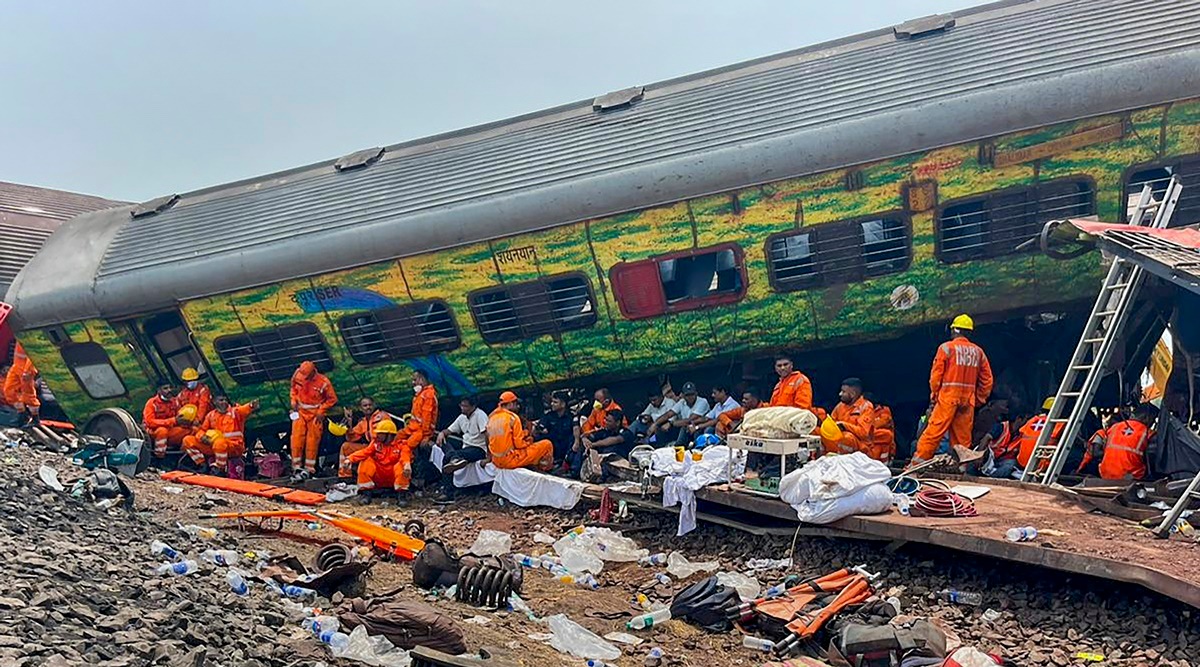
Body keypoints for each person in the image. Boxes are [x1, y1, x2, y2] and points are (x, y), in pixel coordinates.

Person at [912, 314, 993, 467]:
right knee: (962, 437)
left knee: (934, 431)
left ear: (954, 330)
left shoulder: (946, 348)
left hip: (947, 397)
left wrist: (934, 395)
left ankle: (917, 464)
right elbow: (987, 379)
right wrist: (979, 398)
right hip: (967, 401)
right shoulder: (978, 352)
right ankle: (960, 467)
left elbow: (936, 376)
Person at [1077, 403, 1157, 480]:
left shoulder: (1114, 428)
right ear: (1147, 418)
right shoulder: (1148, 433)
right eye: (1153, 420)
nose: (1152, 423)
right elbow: (1154, 456)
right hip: (1131, 476)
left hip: (1105, 474)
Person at [182, 395, 258, 474]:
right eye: (221, 400)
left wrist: (251, 405)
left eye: (225, 400)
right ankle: (202, 465)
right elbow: (202, 430)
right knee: (187, 440)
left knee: (219, 443)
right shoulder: (210, 415)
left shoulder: (235, 412)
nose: (224, 402)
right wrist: (202, 437)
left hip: (234, 447)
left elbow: (244, 409)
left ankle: (220, 469)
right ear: (215, 402)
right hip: (214, 446)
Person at [434, 396, 490, 500]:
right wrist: (441, 433)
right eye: (461, 405)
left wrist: (488, 456)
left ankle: (448, 493)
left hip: (478, 448)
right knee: (444, 441)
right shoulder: (462, 417)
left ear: (473, 406)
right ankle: (455, 458)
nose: (463, 408)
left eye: (465, 406)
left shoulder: (480, 415)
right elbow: (449, 430)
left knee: (447, 457)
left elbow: (487, 435)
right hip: (465, 446)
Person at [289, 360, 338, 477]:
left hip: (315, 415)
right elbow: (293, 389)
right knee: (296, 438)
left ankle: (309, 468)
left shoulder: (323, 382)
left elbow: (332, 399)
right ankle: (296, 466)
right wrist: (293, 400)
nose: (304, 378)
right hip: (300, 412)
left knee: (312, 441)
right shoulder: (298, 375)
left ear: (313, 372)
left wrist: (321, 411)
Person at [393, 370, 438, 492]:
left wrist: (426, 436)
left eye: (415, 379)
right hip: (412, 428)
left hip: (420, 431)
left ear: (422, 379)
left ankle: (411, 476)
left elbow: (427, 419)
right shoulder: (420, 394)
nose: (413, 382)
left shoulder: (428, 394)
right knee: (395, 439)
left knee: (407, 447)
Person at [487, 391, 554, 471]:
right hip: (510, 460)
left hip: (496, 461)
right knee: (547, 444)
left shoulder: (491, 417)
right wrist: (529, 440)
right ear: (510, 404)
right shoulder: (512, 418)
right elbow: (519, 444)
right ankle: (545, 469)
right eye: (516, 404)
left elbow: (488, 438)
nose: (517, 406)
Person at [346, 418, 404, 502]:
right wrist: (350, 459)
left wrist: (407, 466)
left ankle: (402, 496)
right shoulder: (375, 444)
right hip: (378, 479)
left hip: (393, 479)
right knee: (366, 461)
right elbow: (365, 452)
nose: (377, 435)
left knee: (402, 466)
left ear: (388, 435)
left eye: (380, 433)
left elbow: (405, 459)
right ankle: (366, 494)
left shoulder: (401, 445)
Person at [338, 397, 389, 479]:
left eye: (370, 405)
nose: (368, 407)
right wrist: (349, 422)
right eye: (365, 406)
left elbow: (389, 435)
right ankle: (345, 477)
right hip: (370, 448)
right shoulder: (363, 422)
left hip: (383, 449)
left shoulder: (382, 416)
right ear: (360, 408)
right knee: (346, 447)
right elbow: (352, 438)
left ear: (374, 405)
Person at [825, 378, 878, 457]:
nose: (840, 394)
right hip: (838, 439)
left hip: (861, 447)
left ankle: (842, 461)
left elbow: (863, 433)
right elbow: (832, 422)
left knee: (847, 438)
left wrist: (845, 426)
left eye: (843, 392)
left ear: (853, 394)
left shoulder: (866, 407)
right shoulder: (840, 406)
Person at [579, 409, 636, 482]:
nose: (605, 422)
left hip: (620, 464)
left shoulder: (626, 433)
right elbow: (590, 436)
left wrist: (593, 445)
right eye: (605, 419)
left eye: (609, 421)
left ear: (617, 423)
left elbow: (614, 440)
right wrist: (585, 440)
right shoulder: (605, 431)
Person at [1015, 397, 1065, 472]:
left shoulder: (1031, 421)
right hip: (1041, 466)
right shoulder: (1058, 424)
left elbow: (1021, 432)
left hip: (1022, 463)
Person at [143, 383, 189, 460]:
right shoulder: (152, 403)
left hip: (170, 430)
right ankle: (159, 458)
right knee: (162, 431)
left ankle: (182, 457)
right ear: (159, 390)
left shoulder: (175, 402)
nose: (169, 390)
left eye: (170, 388)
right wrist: (172, 421)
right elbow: (149, 422)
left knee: (190, 430)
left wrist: (185, 421)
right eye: (165, 388)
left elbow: (179, 416)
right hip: (153, 431)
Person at [539, 392, 581, 471]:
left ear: (563, 404)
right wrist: (542, 430)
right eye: (552, 402)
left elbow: (576, 428)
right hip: (553, 446)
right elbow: (541, 426)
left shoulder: (572, 415)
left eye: (555, 402)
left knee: (575, 441)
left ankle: (572, 470)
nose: (552, 404)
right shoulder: (549, 415)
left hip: (566, 445)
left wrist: (576, 441)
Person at [3, 343, 40, 426]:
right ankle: (22, 415)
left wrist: (29, 370)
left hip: (26, 370)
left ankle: (35, 418)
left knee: (28, 395)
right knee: (9, 390)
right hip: (17, 366)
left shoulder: (30, 338)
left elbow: (34, 354)